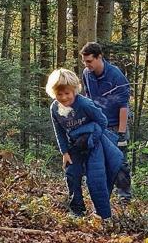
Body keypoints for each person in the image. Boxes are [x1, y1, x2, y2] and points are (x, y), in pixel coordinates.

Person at [48, 69, 127, 220]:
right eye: (59, 94)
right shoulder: (55, 109)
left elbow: (102, 121)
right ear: (53, 93)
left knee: (95, 179)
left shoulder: (84, 104)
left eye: (67, 93)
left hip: (94, 143)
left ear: (74, 90)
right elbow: (59, 131)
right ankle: (77, 210)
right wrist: (64, 153)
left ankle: (104, 216)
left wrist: (90, 137)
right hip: (75, 145)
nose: (64, 97)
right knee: (72, 173)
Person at [79, 42, 131, 201]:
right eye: (84, 62)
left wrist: (121, 134)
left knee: (119, 163)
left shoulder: (115, 75)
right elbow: (88, 99)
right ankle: (102, 197)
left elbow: (124, 106)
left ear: (99, 57)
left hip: (116, 125)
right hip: (98, 125)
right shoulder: (87, 74)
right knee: (97, 162)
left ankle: (124, 198)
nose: (86, 65)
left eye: (89, 61)